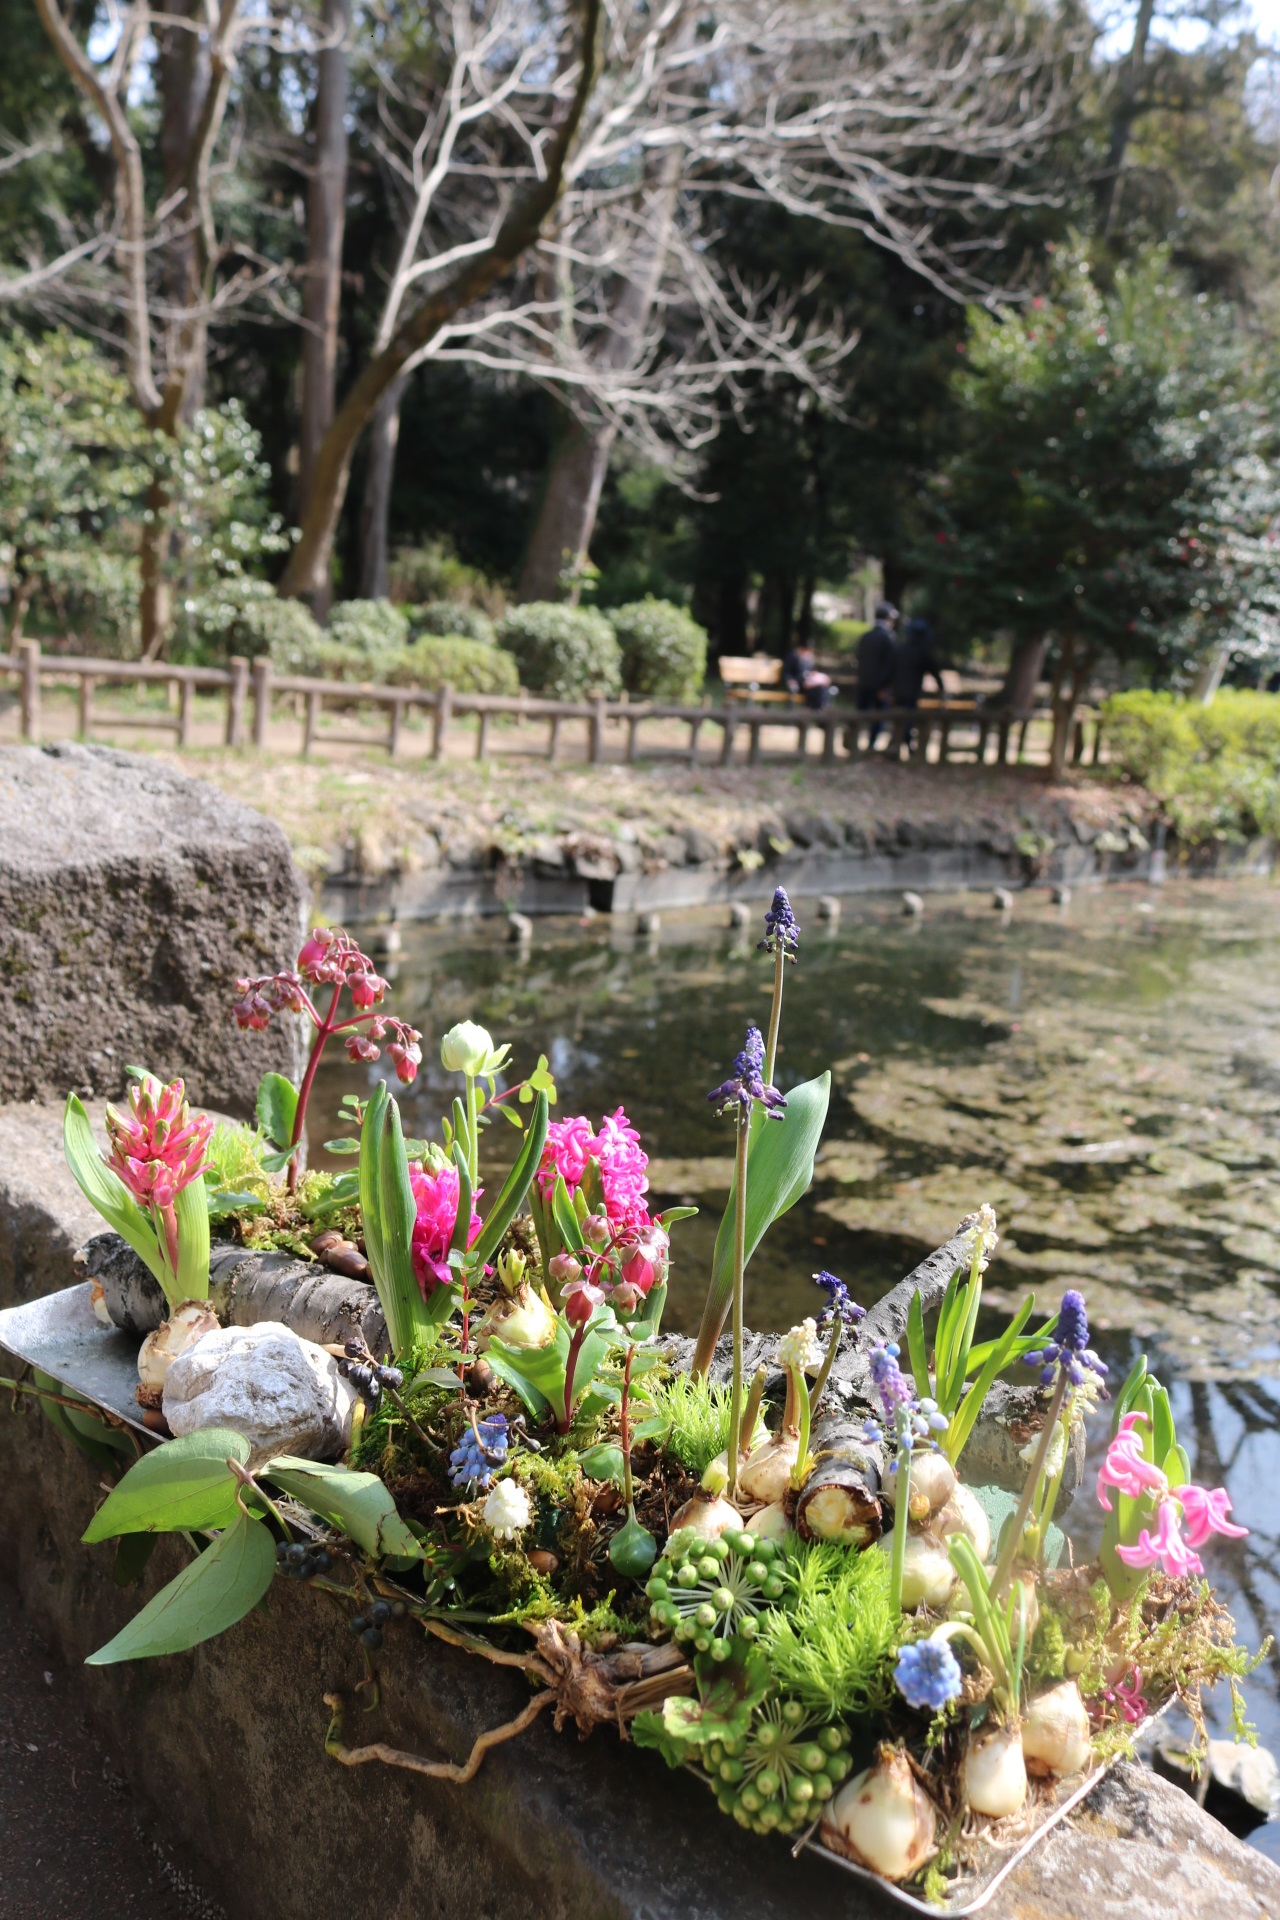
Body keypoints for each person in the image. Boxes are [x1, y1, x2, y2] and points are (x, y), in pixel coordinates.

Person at [856, 600, 897, 743]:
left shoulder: (866, 636)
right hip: (879, 686)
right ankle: (870, 746)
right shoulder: (888, 637)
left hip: (863, 683)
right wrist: (884, 686)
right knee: (879, 718)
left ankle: (856, 745)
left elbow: (859, 659)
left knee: (860, 716)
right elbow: (890, 665)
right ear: (888, 618)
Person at [891, 615, 946, 711]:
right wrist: (941, 688)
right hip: (911, 694)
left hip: (897, 692)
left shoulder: (901, 649)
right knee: (907, 719)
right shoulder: (924, 653)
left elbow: (889, 669)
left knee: (899, 719)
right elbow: (935, 671)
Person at [782, 639, 834, 710]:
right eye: (806, 649)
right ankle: (818, 710)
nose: (808, 652)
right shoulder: (792, 657)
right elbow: (786, 673)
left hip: (808, 683)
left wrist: (817, 676)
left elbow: (812, 671)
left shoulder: (809, 659)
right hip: (798, 684)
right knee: (817, 689)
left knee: (821, 687)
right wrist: (790, 681)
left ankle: (821, 708)